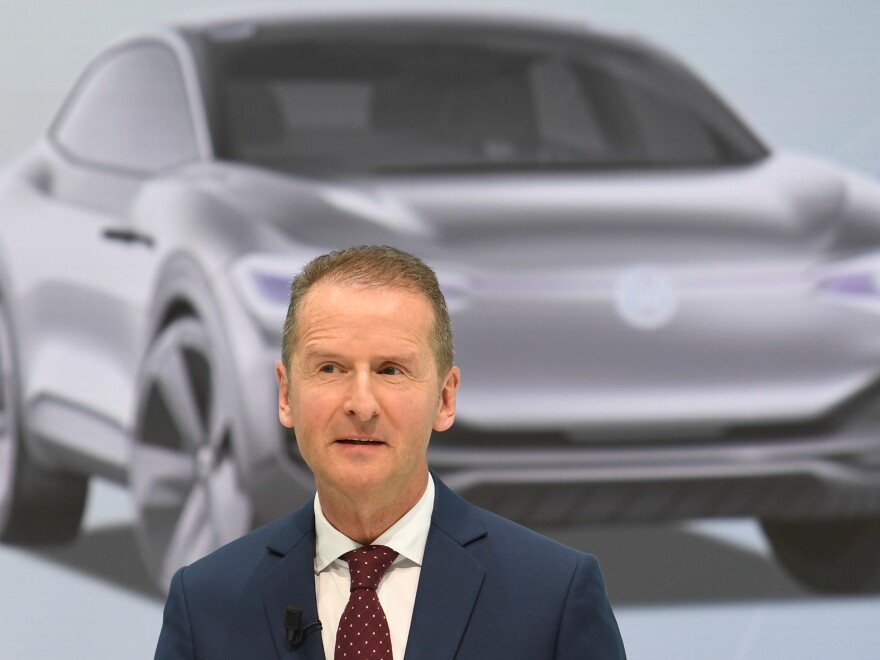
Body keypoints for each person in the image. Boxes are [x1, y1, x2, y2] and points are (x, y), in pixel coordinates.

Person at [154, 245, 625, 659]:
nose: (361, 404)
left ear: (445, 398)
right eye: (331, 368)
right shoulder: (205, 602)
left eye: (391, 370)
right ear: (285, 395)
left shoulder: (554, 595)